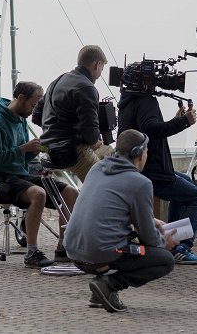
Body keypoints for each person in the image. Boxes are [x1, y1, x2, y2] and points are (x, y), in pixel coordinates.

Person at [64, 129, 177, 313]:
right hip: (101, 254)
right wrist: (165, 242)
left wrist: (152, 220)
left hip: (73, 251)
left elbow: (108, 209)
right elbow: (149, 238)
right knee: (164, 259)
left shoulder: (97, 168)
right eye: (146, 151)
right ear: (139, 154)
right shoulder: (141, 183)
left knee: (120, 239)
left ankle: (98, 290)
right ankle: (109, 285)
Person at [0, 81, 79, 268]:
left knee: (71, 193)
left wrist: (45, 148)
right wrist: (24, 148)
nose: (34, 110)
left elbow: (24, 155)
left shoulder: (20, 121)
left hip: (19, 176)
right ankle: (31, 252)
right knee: (38, 194)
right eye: (33, 105)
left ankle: (63, 248)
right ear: (21, 98)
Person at [117, 86, 197, 265]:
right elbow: (150, 131)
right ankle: (179, 247)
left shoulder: (128, 100)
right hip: (153, 171)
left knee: (187, 183)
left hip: (148, 168)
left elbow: (149, 129)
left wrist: (176, 120)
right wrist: (184, 122)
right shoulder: (146, 100)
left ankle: (171, 239)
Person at [32, 45, 112, 182]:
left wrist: (58, 131)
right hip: (71, 151)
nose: (100, 74)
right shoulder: (87, 87)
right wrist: (90, 140)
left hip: (48, 149)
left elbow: (36, 116)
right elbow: (91, 135)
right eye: (102, 69)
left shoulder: (57, 81)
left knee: (108, 152)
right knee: (104, 184)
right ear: (97, 64)